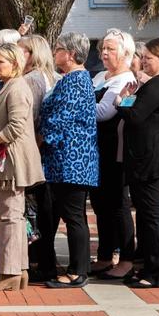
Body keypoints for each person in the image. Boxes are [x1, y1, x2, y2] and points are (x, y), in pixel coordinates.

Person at [0, 43, 44, 291]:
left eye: (0, 62)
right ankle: (19, 270)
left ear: (15, 64)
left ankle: (9, 272)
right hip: (10, 159)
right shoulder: (10, 86)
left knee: (10, 217)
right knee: (14, 217)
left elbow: (16, 126)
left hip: (13, 161)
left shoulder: (17, 88)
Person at [116, 38, 159, 288]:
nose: (143, 61)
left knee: (152, 215)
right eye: (142, 57)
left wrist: (121, 101)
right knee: (148, 214)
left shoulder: (158, 85)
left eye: (148, 58)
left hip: (151, 157)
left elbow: (135, 116)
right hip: (150, 155)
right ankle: (152, 268)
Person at [39, 32, 99, 287]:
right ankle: (77, 267)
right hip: (65, 160)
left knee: (74, 216)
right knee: (73, 216)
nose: (55, 53)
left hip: (72, 160)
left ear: (71, 54)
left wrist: (40, 138)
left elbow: (60, 119)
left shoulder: (76, 80)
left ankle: (78, 270)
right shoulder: (71, 79)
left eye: (59, 49)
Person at [91, 29, 137, 279]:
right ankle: (105, 255)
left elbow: (103, 112)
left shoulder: (125, 80)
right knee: (100, 204)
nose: (105, 53)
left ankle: (127, 257)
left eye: (110, 49)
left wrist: (78, 104)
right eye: (103, 49)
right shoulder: (100, 76)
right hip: (96, 149)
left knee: (118, 204)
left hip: (114, 150)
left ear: (126, 53)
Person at [18, 33, 59, 280]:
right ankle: (44, 260)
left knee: (37, 210)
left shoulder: (33, 79)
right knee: (46, 210)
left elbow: (30, 119)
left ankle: (40, 262)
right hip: (48, 153)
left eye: (21, 51)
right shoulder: (52, 77)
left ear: (31, 54)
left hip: (37, 150)